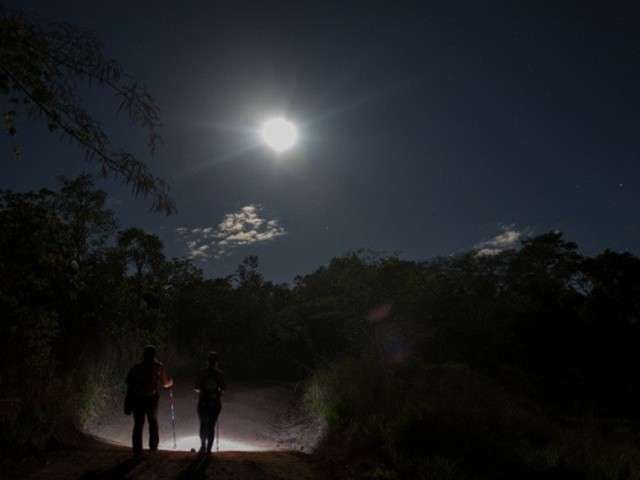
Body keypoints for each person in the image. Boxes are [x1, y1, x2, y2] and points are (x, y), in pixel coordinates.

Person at [125, 345, 173, 456]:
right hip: (151, 398)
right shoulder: (158, 366)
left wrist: (128, 401)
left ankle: (137, 450)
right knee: (152, 421)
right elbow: (165, 383)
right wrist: (171, 382)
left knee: (138, 424)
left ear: (144, 355)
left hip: (138, 398)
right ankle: (153, 447)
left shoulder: (136, 367)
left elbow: (129, 384)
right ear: (154, 355)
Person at [194, 351, 226, 455]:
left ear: (207, 361)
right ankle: (208, 450)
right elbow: (224, 388)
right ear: (216, 362)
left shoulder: (202, 372)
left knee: (203, 424)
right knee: (211, 425)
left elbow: (196, 387)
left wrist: (203, 391)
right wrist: (218, 392)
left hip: (203, 401)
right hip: (215, 402)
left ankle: (202, 446)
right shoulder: (220, 374)